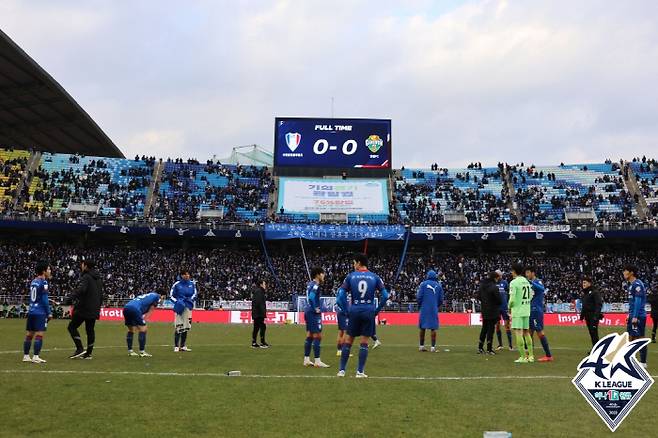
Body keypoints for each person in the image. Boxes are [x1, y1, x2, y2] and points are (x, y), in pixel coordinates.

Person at [336, 253, 389, 378]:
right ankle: (360, 372)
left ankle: (342, 370)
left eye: (354, 263)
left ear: (359, 263)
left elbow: (340, 297)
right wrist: (376, 310)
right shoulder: (375, 277)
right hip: (369, 311)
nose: (353, 265)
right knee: (364, 342)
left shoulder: (351, 276)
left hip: (354, 310)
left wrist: (346, 310)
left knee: (348, 340)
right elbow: (386, 296)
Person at [65, 260, 102, 360]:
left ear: (85, 266)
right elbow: (101, 295)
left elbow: (81, 290)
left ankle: (79, 348)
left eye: (82, 264)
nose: (81, 266)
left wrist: (69, 299)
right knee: (90, 330)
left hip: (84, 308)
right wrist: (98, 308)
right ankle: (88, 354)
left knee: (72, 327)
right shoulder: (98, 278)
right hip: (94, 308)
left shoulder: (86, 277)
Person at [22, 261, 52, 364]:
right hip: (40, 312)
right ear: (44, 271)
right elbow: (44, 299)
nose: (50, 271)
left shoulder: (33, 281)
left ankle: (26, 356)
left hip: (31, 311)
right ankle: (35, 356)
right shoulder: (44, 282)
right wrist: (49, 312)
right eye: (48, 269)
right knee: (39, 334)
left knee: (29, 334)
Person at [303, 267, 329, 368]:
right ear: (318, 274)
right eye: (322, 274)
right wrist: (315, 308)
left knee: (309, 335)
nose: (324, 276)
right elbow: (311, 297)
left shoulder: (310, 284)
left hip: (307, 311)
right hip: (313, 313)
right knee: (318, 336)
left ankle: (306, 359)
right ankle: (317, 361)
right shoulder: (315, 285)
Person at [525, 266, 553, 362]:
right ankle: (529, 354)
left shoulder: (538, 282)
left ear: (533, 273)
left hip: (536, 310)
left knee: (539, 332)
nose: (527, 275)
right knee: (529, 332)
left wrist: (531, 282)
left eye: (528, 272)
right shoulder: (528, 283)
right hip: (530, 310)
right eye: (526, 273)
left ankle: (548, 355)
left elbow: (541, 289)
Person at [123, 292, 163, 357]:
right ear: (161, 295)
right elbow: (151, 310)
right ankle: (142, 352)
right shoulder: (156, 296)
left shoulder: (148, 296)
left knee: (131, 330)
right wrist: (145, 320)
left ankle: (130, 351)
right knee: (143, 329)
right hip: (135, 309)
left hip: (126, 308)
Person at [508, 263, 534, 363]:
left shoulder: (514, 283)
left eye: (512, 270)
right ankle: (531, 356)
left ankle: (523, 357)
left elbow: (512, 299)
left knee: (518, 333)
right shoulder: (526, 281)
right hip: (526, 310)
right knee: (526, 332)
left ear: (514, 271)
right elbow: (531, 295)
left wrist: (509, 307)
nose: (511, 272)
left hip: (518, 311)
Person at [624, 265, 648, 368]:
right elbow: (632, 302)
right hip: (633, 315)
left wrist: (635, 316)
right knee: (631, 338)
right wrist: (629, 314)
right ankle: (630, 360)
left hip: (638, 316)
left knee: (639, 338)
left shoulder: (637, 284)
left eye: (625, 271)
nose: (624, 273)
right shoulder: (631, 285)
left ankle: (643, 362)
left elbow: (638, 301)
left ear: (631, 272)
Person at [170, 268, 197, 352]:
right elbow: (171, 296)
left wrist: (190, 300)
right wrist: (178, 302)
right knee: (179, 326)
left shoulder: (192, 284)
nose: (187, 276)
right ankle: (176, 346)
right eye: (185, 274)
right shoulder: (177, 284)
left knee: (186, 327)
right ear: (182, 275)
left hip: (188, 307)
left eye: (188, 274)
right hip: (180, 307)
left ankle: (183, 346)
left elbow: (195, 294)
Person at [417, 270, 444, 352]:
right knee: (433, 328)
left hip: (424, 308)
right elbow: (441, 299)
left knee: (422, 327)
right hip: (433, 308)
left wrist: (420, 305)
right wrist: (436, 305)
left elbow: (419, 297)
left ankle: (421, 346)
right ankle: (433, 347)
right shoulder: (438, 286)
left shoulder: (423, 284)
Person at [477, 271, 501, 355]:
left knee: (484, 328)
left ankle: (480, 347)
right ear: (495, 278)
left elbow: (478, 296)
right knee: (491, 330)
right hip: (493, 311)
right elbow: (499, 300)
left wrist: (485, 302)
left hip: (484, 310)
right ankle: (489, 349)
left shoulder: (482, 285)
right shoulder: (494, 287)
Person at [579, 276, 602, 347]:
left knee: (594, 333)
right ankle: (595, 349)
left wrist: (596, 316)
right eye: (583, 283)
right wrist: (582, 316)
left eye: (585, 283)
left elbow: (599, 304)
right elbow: (584, 306)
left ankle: (597, 350)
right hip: (587, 316)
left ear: (589, 283)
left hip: (593, 316)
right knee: (591, 333)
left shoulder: (595, 292)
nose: (583, 284)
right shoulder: (584, 294)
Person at [494, 270, 513, 351]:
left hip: (504, 308)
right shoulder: (493, 283)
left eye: (499, 274)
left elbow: (509, 294)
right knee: (497, 326)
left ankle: (510, 346)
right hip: (496, 308)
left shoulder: (505, 283)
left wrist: (509, 306)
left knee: (507, 327)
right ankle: (500, 345)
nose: (499, 276)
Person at [251, 278, 269, 348]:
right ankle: (262, 342)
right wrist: (262, 313)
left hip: (257, 313)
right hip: (258, 313)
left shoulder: (259, 291)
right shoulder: (259, 292)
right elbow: (259, 303)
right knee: (262, 327)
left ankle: (254, 342)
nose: (265, 285)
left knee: (257, 327)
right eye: (264, 284)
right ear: (261, 284)